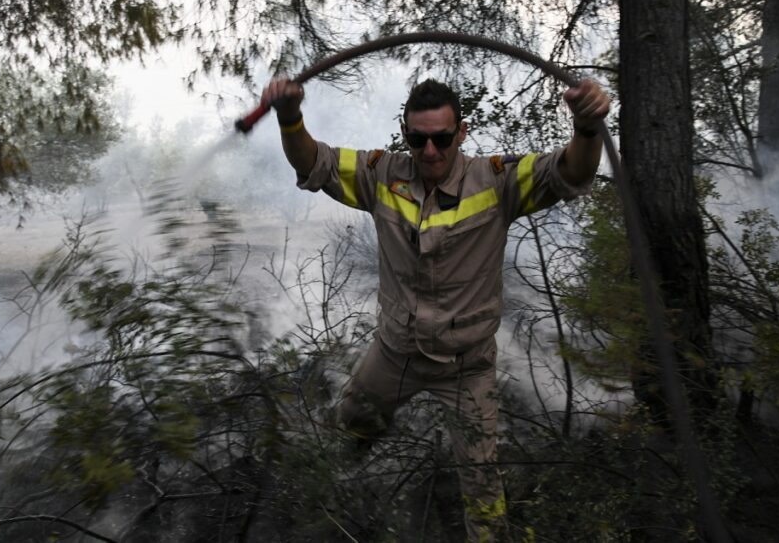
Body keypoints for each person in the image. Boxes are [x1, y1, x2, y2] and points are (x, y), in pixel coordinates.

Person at [259, 75, 611, 541]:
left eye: (442, 139)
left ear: (461, 133)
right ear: (405, 134)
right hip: (395, 355)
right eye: (418, 138)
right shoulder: (381, 174)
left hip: (466, 367)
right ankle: (332, 509)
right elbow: (315, 162)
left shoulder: (498, 180)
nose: (429, 151)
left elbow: (570, 172)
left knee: (483, 485)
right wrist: (289, 118)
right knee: (349, 429)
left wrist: (587, 128)